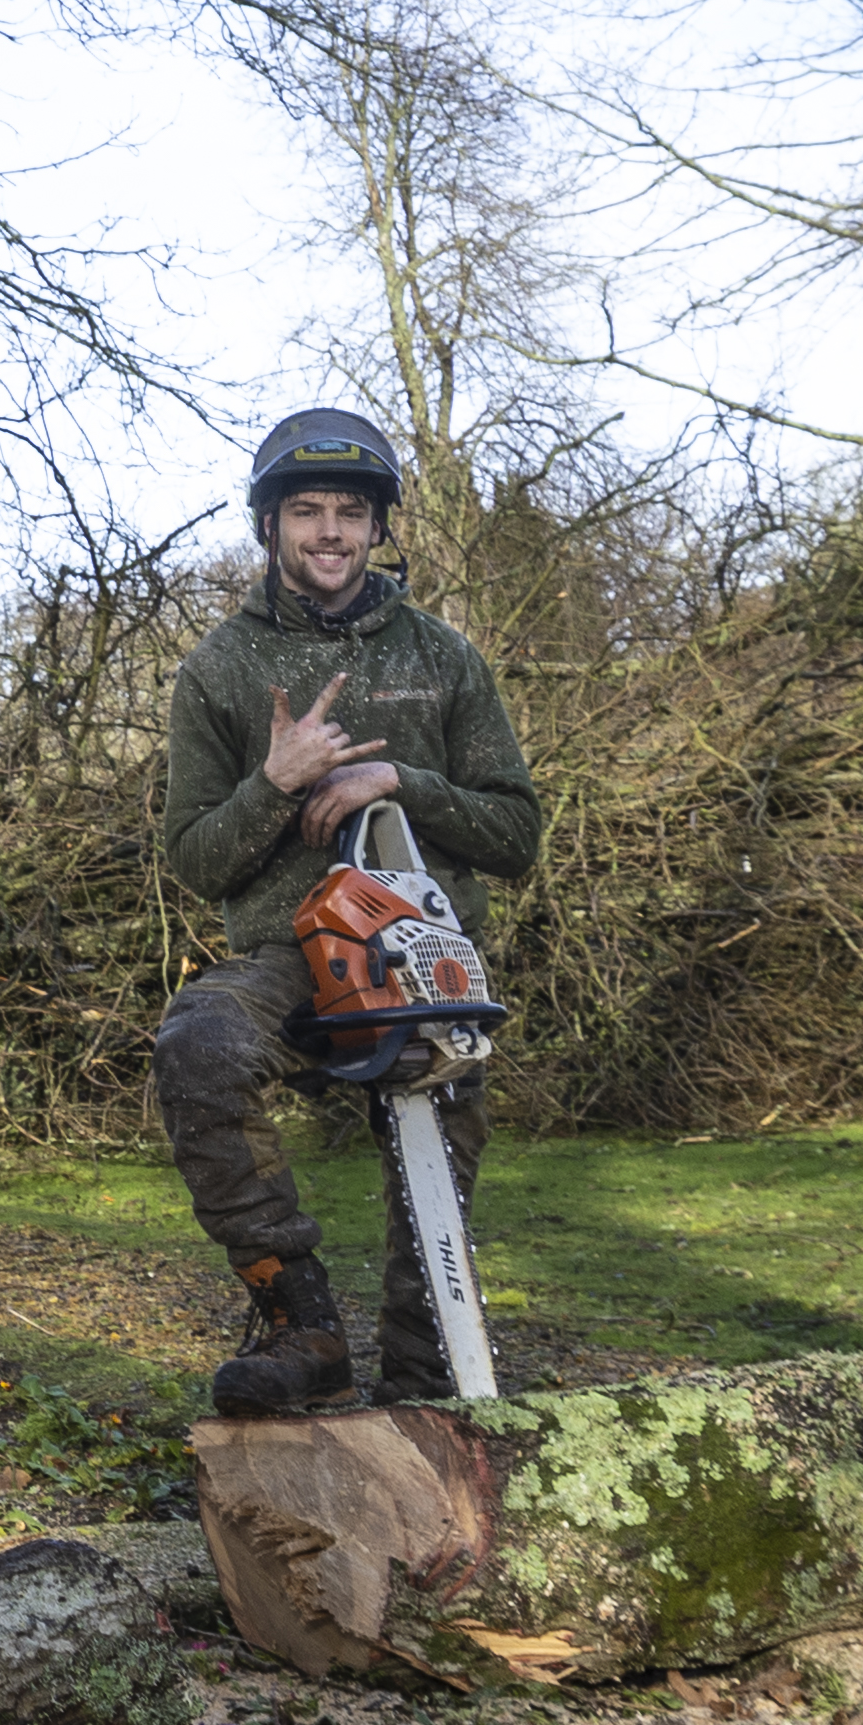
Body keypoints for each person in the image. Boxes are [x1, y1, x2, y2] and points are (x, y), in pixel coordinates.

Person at [150, 407, 545, 1413]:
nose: (330, 532)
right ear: (269, 524)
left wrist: (400, 779)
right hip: (288, 958)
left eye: (350, 513)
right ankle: (302, 1324)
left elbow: (515, 834)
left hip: (425, 954)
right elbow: (194, 859)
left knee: (436, 1199)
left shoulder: (441, 656)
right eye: (307, 511)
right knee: (198, 1044)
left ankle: (430, 1386)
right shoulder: (218, 669)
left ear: (378, 527)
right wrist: (273, 783)